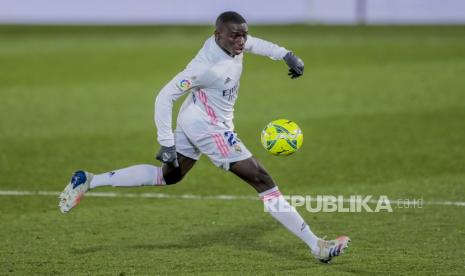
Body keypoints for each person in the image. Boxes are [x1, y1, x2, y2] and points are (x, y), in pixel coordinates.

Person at [59, 11, 350, 263]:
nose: (242, 42)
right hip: (210, 128)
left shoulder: (233, 44)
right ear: (218, 36)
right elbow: (164, 96)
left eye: (243, 35)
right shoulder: (204, 68)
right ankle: (317, 246)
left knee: (169, 176)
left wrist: (285, 55)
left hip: (194, 117)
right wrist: (166, 143)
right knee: (262, 179)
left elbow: (254, 44)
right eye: (235, 37)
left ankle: (89, 180)